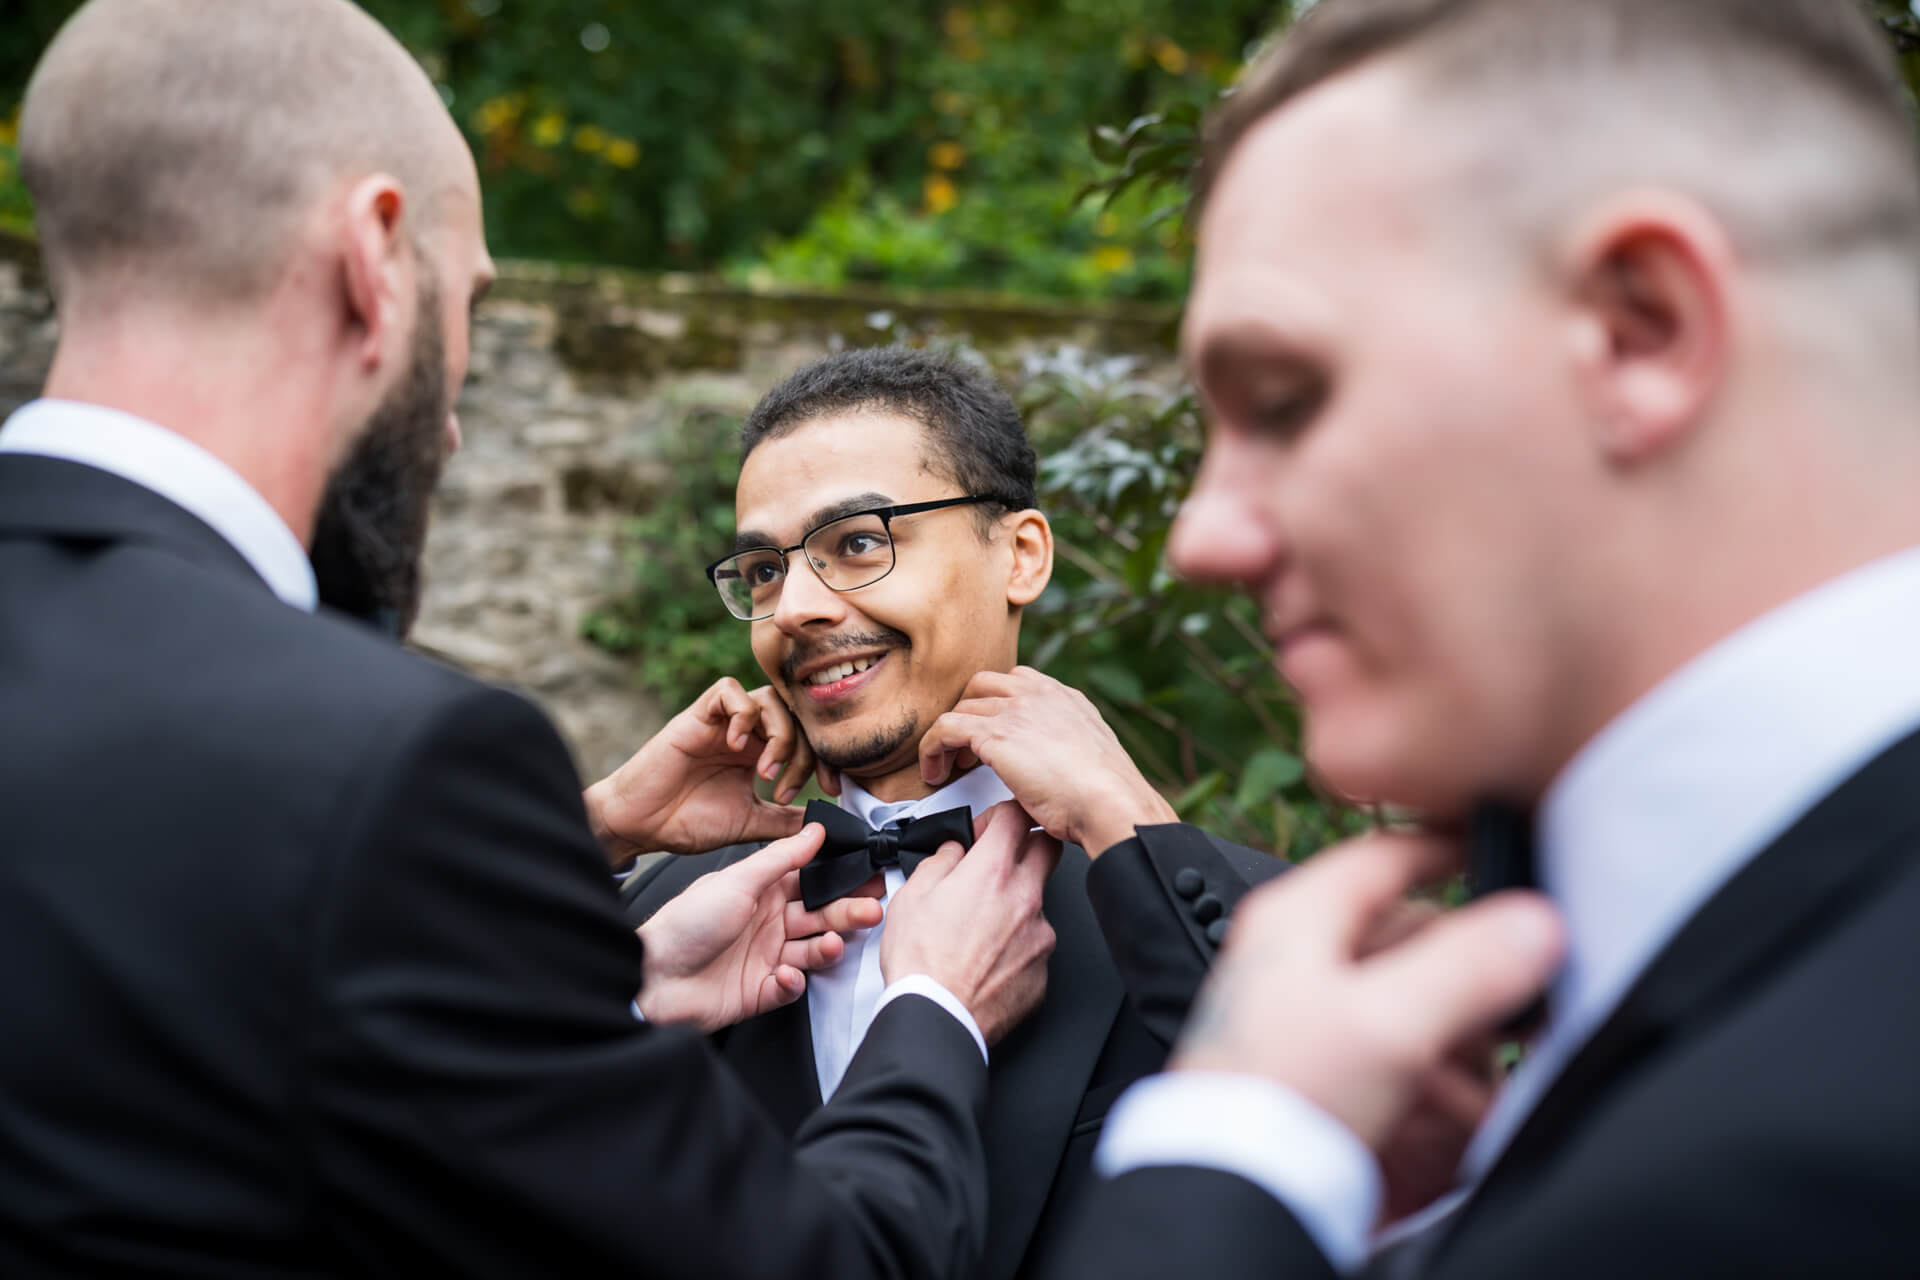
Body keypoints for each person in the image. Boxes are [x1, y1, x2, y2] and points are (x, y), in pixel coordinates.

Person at [0, 2, 1062, 1275]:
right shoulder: (391, 760)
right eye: (471, 305)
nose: (453, 418)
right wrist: (936, 1008)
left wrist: (600, 915)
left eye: (858, 543)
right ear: (373, 256)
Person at [1040, 0, 1920, 1276]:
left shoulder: (1822, 1167)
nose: (1204, 537)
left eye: (1285, 400)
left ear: (1642, 329)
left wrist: (1237, 1160)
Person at [602, 345, 1283, 1280]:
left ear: (1022, 556)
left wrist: (1130, 820)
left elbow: (1350, 1145)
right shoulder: (652, 928)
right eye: (764, 568)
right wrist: (600, 833)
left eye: (859, 543)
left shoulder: (1223, 907)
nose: (793, 607)